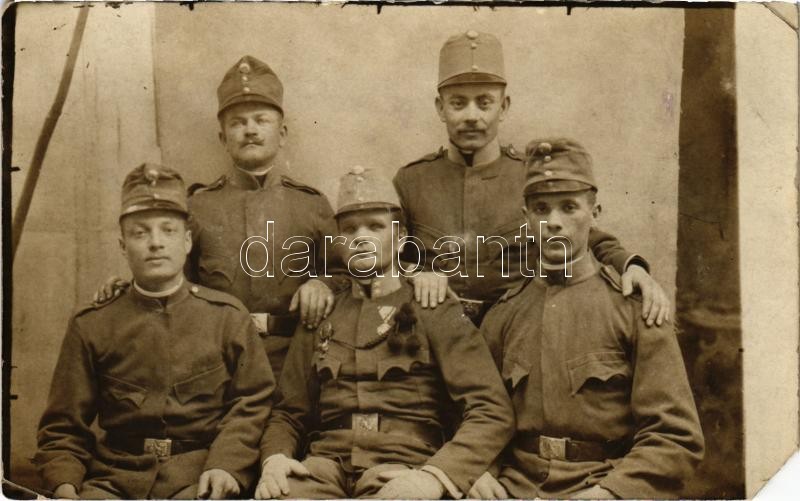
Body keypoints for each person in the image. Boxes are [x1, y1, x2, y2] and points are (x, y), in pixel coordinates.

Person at [254, 166, 514, 499]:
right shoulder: (322, 311)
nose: (360, 237)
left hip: (404, 469)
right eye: (349, 229)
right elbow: (290, 412)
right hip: (323, 467)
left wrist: (436, 476)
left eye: (375, 227)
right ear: (338, 241)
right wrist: (275, 459)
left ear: (401, 237)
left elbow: (491, 410)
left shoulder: (432, 307)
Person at [475, 139, 704, 499]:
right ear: (526, 217)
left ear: (595, 213)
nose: (554, 222)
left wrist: (610, 493)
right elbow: (477, 416)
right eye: (540, 209)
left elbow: (675, 438)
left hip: (602, 483)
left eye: (569, 207)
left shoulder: (634, 310)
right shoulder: (503, 315)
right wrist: (480, 473)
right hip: (516, 487)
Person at [394, 31, 670, 327]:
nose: (471, 115)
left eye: (484, 102)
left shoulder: (529, 175)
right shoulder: (413, 182)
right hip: (436, 333)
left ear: (504, 107)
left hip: (517, 329)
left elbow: (586, 234)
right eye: (458, 103)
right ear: (440, 108)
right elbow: (384, 254)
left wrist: (634, 267)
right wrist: (416, 273)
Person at [35, 164, 275, 499]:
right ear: (122, 245)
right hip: (113, 478)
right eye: (140, 233)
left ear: (188, 241)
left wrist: (226, 465)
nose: (156, 243)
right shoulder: (92, 324)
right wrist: (65, 486)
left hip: (198, 476)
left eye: (168, 230)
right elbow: (63, 428)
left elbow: (252, 404)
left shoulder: (227, 317)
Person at [95, 55, 342, 380]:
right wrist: (128, 291)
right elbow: (171, 282)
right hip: (216, 363)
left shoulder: (313, 205)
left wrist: (322, 283)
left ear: (282, 134)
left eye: (260, 120)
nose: (250, 130)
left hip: (296, 360)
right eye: (237, 123)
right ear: (223, 138)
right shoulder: (196, 208)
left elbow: (349, 275)